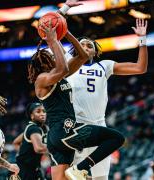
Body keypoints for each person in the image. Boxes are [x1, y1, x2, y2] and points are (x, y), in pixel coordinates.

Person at [27, 14, 125, 180]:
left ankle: (79, 170)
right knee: (116, 137)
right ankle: (83, 167)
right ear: (44, 63)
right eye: (51, 57)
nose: (54, 57)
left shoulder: (59, 76)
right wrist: (52, 41)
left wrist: (65, 32)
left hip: (58, 137)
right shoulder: (42, 79)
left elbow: (83, 57)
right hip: (65, 132)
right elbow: (63, 68)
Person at [65, 18, 148, 180]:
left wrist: (142, 40)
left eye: (90, 45)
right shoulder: (66, 66)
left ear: (95, 52)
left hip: (99, 126)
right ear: (74, 48)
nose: (86, 47)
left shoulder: (104, 65)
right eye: (81, 44)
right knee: (67, 176)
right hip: (76, 127)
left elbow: (140, 68)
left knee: (101, 178)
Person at [13, 102, 48, 180]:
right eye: (38, 111)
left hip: (34, 167)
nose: (42, 114)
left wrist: (24, 152)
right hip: (25, 169)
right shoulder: (33, 128)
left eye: (44, 111)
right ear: (32, 116)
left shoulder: (40, 128)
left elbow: (15, 142)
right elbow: (39, 148)